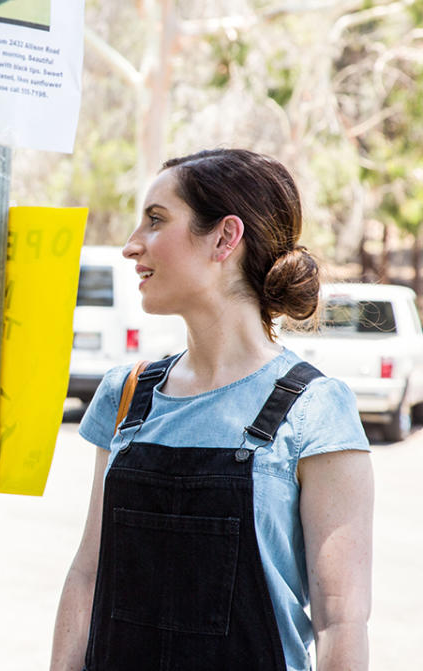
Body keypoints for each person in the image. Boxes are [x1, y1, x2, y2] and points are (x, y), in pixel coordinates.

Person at [50, 149, 373, 671]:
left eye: (156, 220)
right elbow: (88, 574)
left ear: (225, 238)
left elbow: (340, 621)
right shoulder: (126, 394)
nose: (132, 245)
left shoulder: (315, 410)